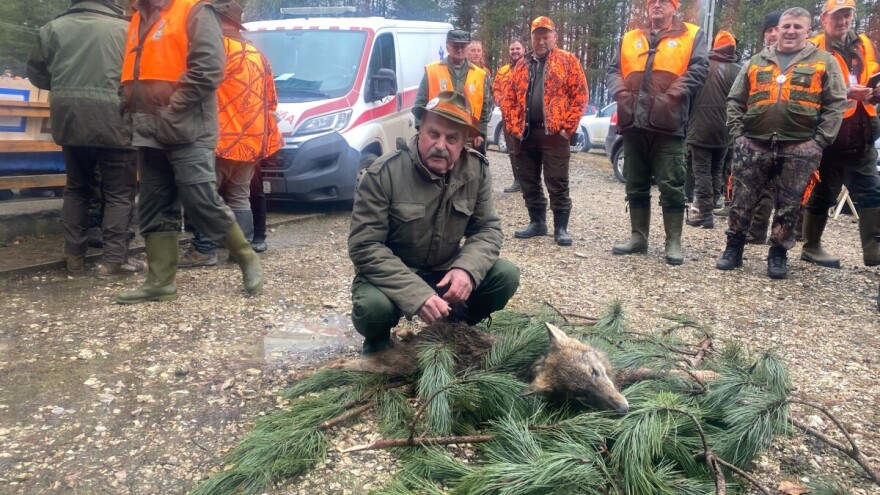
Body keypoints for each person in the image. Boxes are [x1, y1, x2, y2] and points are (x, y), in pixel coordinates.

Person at [348, 91, 520, 354]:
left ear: (465, 142)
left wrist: (466, 269)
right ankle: (378, 341)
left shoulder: (476, 170)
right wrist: (417, 295)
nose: (441, 145)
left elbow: (487, 229)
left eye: (452, 138)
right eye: (433, 133)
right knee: (372, 309)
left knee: (506, 275)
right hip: (397, 271)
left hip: (446, 269)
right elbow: (365, 246)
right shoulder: (384, 173)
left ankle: (455, 329)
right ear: (420, 129)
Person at [115, 0, 264, 304]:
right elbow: (135, 69)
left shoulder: (194, 10)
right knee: (154, 206)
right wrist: (126, 103)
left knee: (200, 199)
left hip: (188, 128)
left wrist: (175, 107)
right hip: (147, 127)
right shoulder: (137, 16)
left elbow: (209, 68)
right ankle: (160, 283)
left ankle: (246, 256)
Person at [716, 7, 846, 279]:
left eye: (798, 27)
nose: (790, 31)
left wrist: (820, 141)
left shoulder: (824, 61)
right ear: (777, 29)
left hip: (800, 146)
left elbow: (835, 104)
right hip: (753, 142)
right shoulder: (757, 61)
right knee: (741, 198)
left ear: (808, 30)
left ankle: (778, 254)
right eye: (786, 26)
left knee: (790, 204)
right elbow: (735, 99)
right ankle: (734, 248)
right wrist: (738, 134)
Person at [26, 0, 144, 278]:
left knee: (77, 187)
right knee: (119, 193)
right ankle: (114, 260)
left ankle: (74, 258)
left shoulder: (51, 28)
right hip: (115, 119)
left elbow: (38, 74)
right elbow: (141, 74)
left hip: (69, 119)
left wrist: (68, 85)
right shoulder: (128, 30)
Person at [179, 0, 283, 267]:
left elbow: (194, 88)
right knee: (239, 196)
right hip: (251, 142)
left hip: (218, 139)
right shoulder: (258, 55)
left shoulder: (213, 50)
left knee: (204, 193)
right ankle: (241, 250)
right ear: (237, 25)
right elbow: (271, 102)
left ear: (215, 20)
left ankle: (204, 248)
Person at [607, 0, 708, 264]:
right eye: (653, 2)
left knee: (672, 184)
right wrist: (619, 92)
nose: (658, 5)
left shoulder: (692, 34)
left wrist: (673, 94)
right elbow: (613, 70)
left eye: (664, 1)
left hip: (669, 123)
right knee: (634, 182)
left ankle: (673, 241)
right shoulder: (630, 37)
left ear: (675, 7)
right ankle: (638, 237)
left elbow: (699, 69)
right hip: (632, 122)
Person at [801, 0, 880, 269]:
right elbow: (805, 91)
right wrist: (846, 93)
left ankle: (874, 253)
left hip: (862, 131)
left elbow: (872, 74)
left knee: (871, 191)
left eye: (847, 15)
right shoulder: (812, 46)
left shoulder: (864, 44)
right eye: (836, 16)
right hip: (828, 134)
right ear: (823, 19)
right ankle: (811, 246)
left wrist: (875, 92)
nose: (842, 21)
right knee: (824, 191)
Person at [501, 15, 587, 247]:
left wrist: (566, 129)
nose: (541, 40)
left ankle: (561, 228)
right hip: (526, 134)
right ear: (531, 38)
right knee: (528, 180)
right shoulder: (521, 64)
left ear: (554, 37)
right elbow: (508, 98)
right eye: (536, 35)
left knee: (557, 181)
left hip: (554, 135)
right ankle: (537, 223)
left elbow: (579, 96)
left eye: (545, 35)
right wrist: (512, 126)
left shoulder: (568, 61)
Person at [685, 30, 741, 229]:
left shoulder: (702, 66)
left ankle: (704, 213)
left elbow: (688, 93)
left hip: (700, 127)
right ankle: (711, 204)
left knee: (701, 171)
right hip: (725, 130)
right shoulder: (738, 70)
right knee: (717, 170)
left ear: (715, 45)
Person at [414, 29, 491, 155]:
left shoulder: (480, 74)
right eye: (456, 46)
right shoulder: (432, 71)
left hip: (468, 136)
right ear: (448, 47)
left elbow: (484, 107)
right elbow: (420, 102)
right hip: (439, 136)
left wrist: (480, 133)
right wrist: (420, 129)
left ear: (467, 48)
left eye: (463, 46)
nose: (459, 50)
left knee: (468, 171)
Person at [746, 10, 783, 244]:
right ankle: (755, 229)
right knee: (756, 185)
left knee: (778, 188)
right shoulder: (756, 61)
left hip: (788, 135)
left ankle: (776, 235)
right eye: (768, 30)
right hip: (757, 133)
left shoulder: (800, 61)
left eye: (776, 29)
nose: (772, 34)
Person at [492, 39, 525, 193]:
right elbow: (496, 88)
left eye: (518, 48)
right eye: (512, 49)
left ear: (524, 50)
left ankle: (530, 182)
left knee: (528, 150)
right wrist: (500, 100)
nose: (515, 51)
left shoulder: (530, 68)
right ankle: (518, 180)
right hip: (508, 117)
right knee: (512, 150)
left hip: (526, 118)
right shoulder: (503, 71)